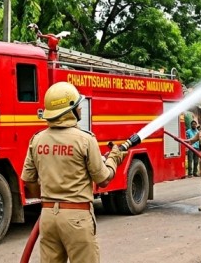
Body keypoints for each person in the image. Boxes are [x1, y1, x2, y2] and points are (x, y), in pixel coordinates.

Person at [21, 82, 126, 263]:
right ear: (69, 110)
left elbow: (28, 181)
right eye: (77, 105)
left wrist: (51, 200)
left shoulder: (37, 140)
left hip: (48, 217)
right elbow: (103, 179)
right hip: (77, 218)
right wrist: (113, 159)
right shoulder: (85, 139)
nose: (80, 109)